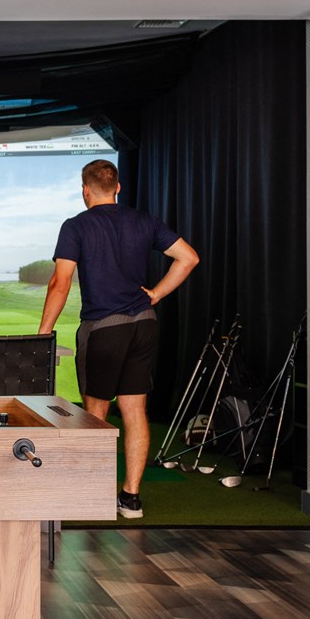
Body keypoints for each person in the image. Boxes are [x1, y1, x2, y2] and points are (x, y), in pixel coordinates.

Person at [38, 159, 199, 519]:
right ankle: (130, 499)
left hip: (103, 329)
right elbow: (188, 259)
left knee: (96, 411)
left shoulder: (76, 226)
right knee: (134, 411)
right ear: (118, 187)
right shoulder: (144, 221)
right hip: (144, 323)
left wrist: (43, 332)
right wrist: (155, 293)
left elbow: (60, 282)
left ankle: (92, 496)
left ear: (85, 190)